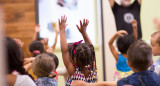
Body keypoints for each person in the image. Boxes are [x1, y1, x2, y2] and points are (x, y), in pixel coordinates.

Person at [71, 40, 160, 86]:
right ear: (151, 63)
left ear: (129, 64)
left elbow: (104, 84)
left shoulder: (129, 80)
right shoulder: (156, 77)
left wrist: (85, 84)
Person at [59, 15, 97, 86]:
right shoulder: (93, 69)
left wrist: (62, 30)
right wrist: (84, 32)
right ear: (91, 57)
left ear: (74, 59)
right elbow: (92, 49)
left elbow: (64, 51)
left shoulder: (73, 72)